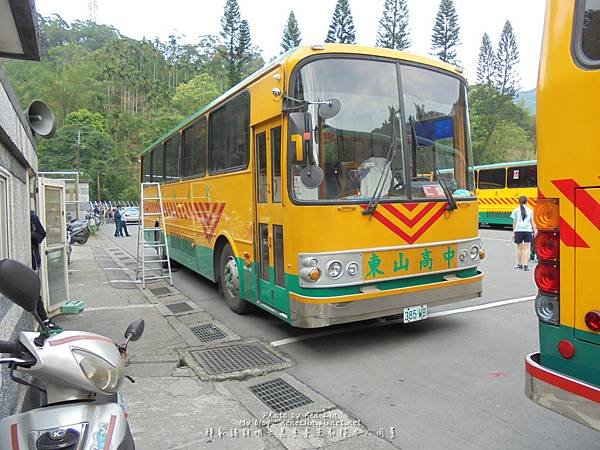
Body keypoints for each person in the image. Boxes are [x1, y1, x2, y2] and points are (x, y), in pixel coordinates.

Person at [30, 210, 59, 330]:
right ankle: (45, 320)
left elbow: (42, 234)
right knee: (33, 293)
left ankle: (45, 321)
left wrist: (31, 235)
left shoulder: (31, 216)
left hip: (33, 262)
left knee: (35, 292)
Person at [511, 196, 536, 271]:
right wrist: (534, 230)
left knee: (519, 248)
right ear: (527, 202)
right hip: (528, 231)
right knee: (526, 248)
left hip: (518, 231)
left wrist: (514, 232)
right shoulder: (530, 210)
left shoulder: (515, 210)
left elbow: (514, 222)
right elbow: (532, 222)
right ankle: (525, 265)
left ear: (519, 202)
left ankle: (520, 264)